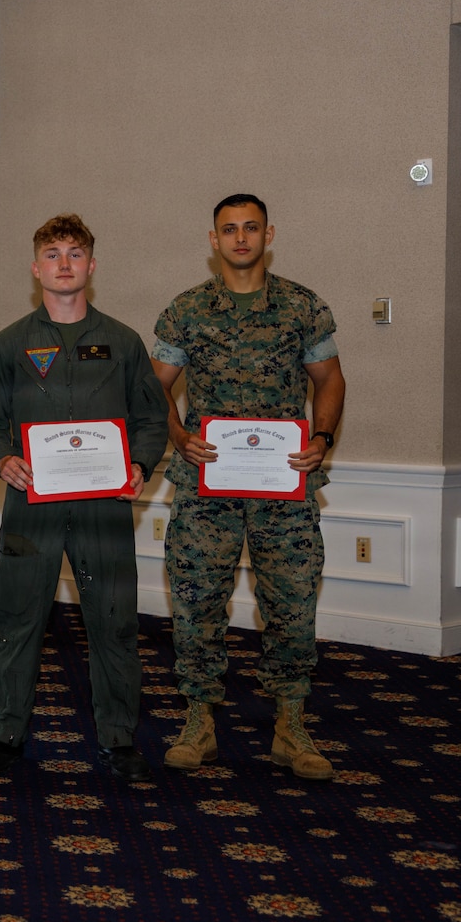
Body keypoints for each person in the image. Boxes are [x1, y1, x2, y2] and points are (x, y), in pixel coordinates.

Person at [153, 193, 346, 781]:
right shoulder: (186, 310)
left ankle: (291, 724)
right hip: (206, 485)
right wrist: (178, 433)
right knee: (195, 602)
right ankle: (198, 721)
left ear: (268, 234)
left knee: (291, 602)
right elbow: (153, 386)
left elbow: (330, 379)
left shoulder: (302, 307)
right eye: (229, 229)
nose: (240, 238)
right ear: (213, 239)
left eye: (251, 228)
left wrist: (324, 436)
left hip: (282, 485)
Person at [0, 214, 167, 782]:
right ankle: (6, 733)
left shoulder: (124, 342)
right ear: (36, 269)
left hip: (104, 507)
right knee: (17, 618)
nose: (63, 263)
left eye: (74, 254)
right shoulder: (10, 344)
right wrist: (1, 456)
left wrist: (139, 462)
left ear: (91, 266)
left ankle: (119, 736)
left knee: (113, 621)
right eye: (52, 254)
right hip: (31, 503)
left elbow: (153, 418)